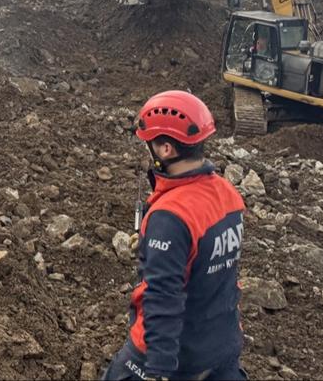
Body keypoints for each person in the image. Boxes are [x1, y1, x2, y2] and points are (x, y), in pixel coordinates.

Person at [103, 90, 246, 381]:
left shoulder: (171, 216)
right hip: (221, 349)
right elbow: (212, 266)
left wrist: (158, 371)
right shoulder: (228, 195)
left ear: (166, 149)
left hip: (177, 358)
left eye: (150, 144)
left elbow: (163, 299)